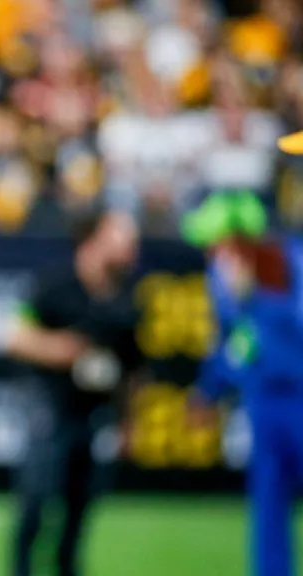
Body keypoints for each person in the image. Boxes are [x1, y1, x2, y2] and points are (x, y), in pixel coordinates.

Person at [4, 208, 145, 576]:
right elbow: (15, 336)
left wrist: (129, 422)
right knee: (35, 503)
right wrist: (64, 350)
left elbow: (133, 370)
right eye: (122, 238)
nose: (131, 248)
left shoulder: (127, 300)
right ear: (95, 239)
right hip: (49, 410)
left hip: (93, 417)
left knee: (80, 508)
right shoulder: (55, 284)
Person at [182, 190, 303, 576]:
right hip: (263, 402)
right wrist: (208, 391)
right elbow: (234, 342)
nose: (212, 253)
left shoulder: (288, 261)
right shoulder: (222, 278)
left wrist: (258, 297)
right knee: (268, 506)